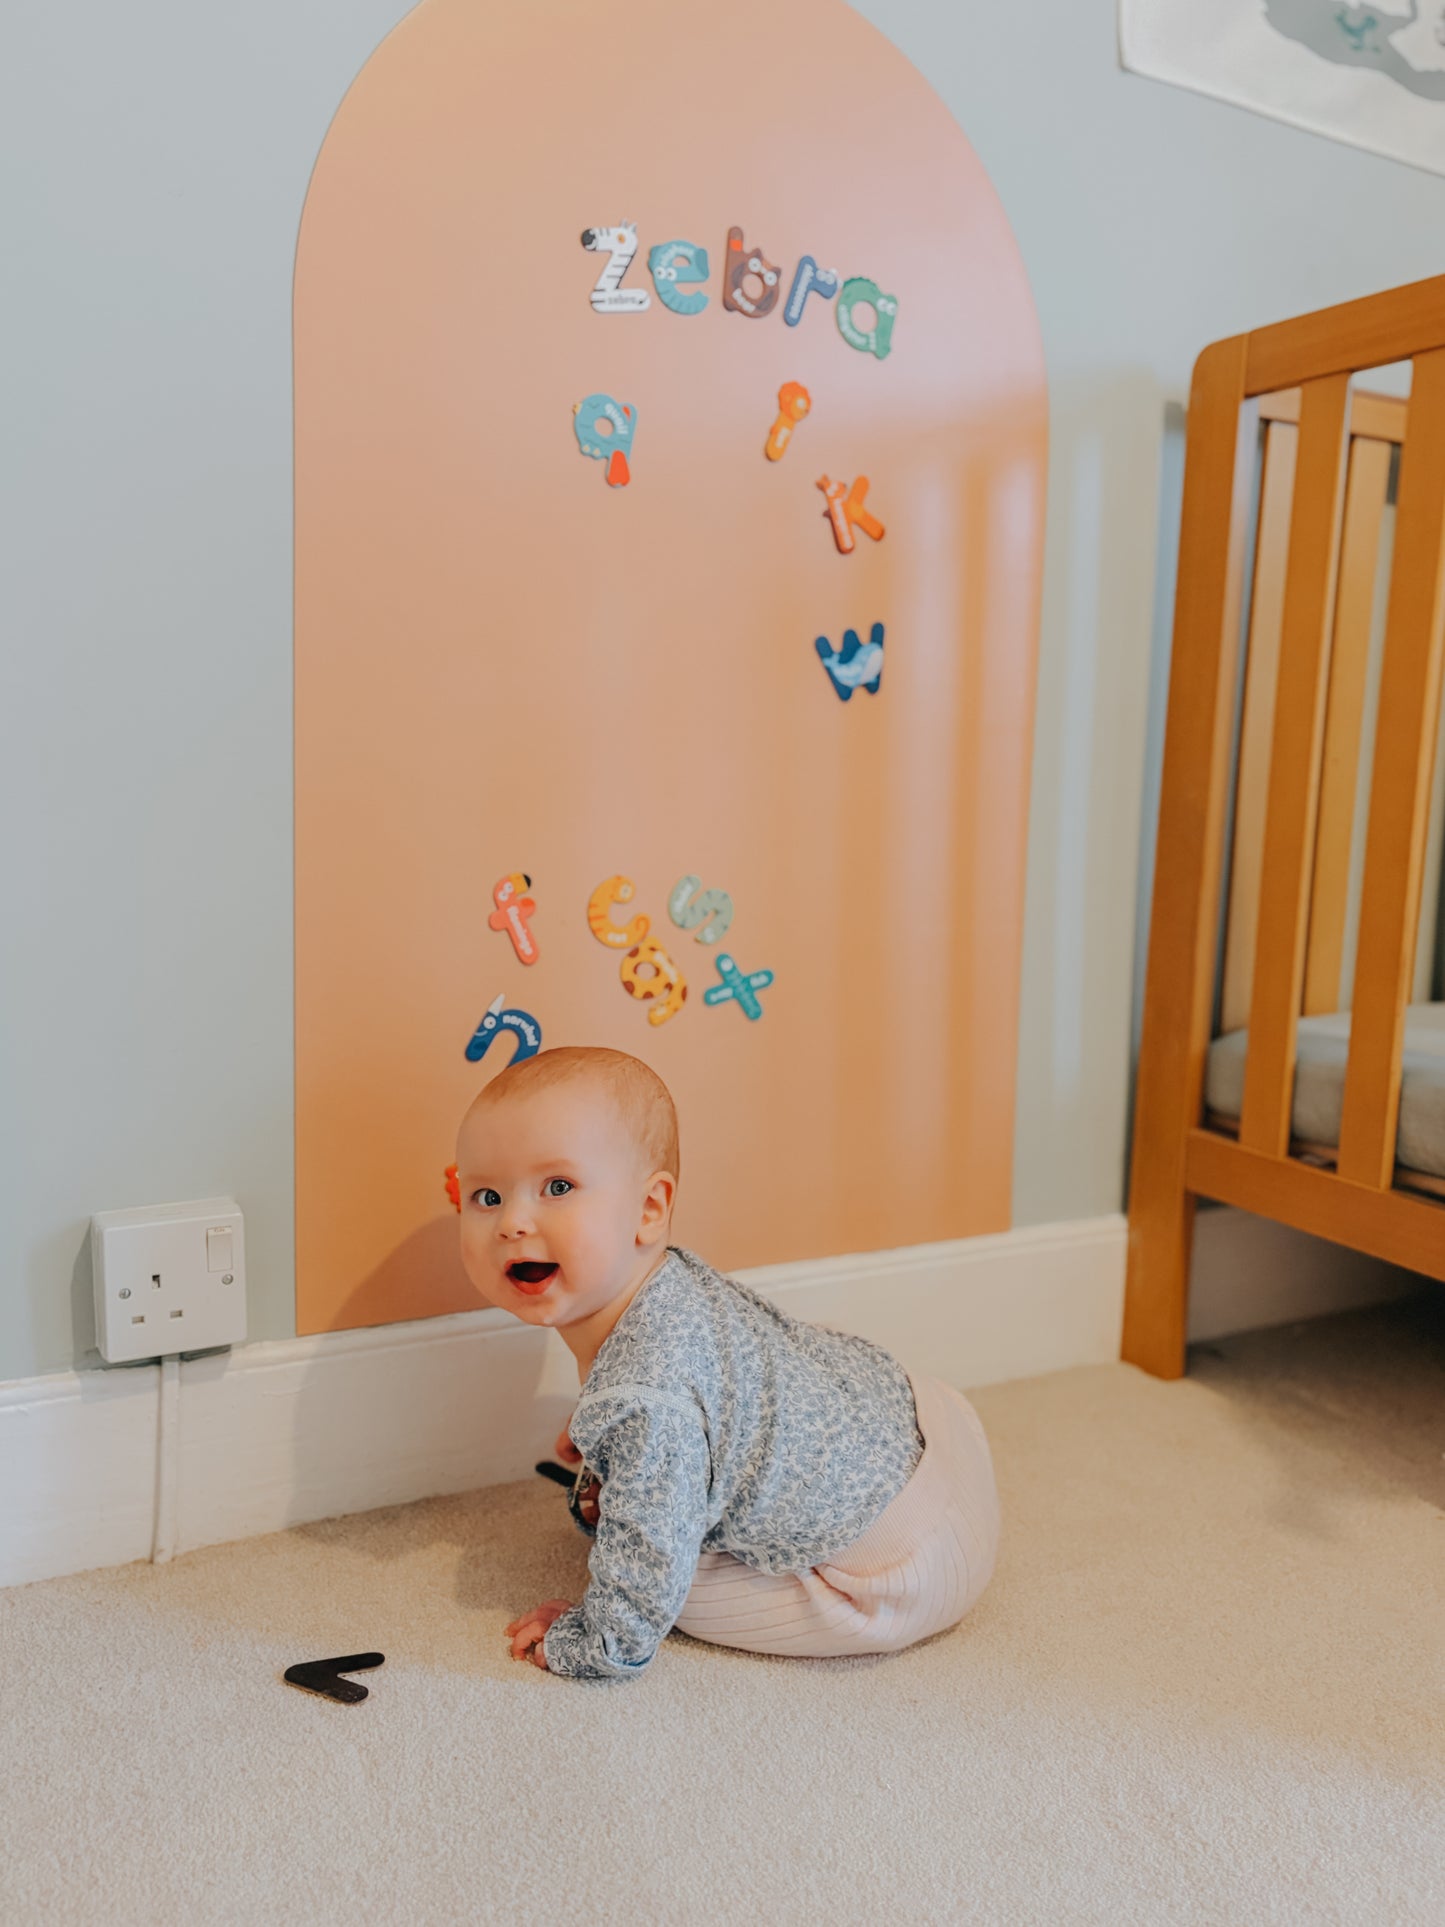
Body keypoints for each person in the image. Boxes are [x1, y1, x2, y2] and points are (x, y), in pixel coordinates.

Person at [454, 1045, 1000, 1680]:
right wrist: (623, 1447)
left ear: (649, 1209)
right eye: (486, 1196)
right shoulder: (673, 1286)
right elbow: (698, 1382)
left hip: (905, 1571)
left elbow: (649, 1562)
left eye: (557, 1187)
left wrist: (591, 1640)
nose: (514, 1222)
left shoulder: (644, 1396)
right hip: (941, 1433)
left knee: (662, 1571)